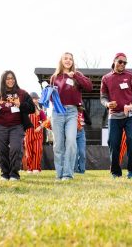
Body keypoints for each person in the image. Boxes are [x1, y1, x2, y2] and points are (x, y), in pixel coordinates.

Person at [50, 52, 93, 181]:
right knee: (58, 144)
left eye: (70, 59)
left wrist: (75, 76)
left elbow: (89, 87)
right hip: (57, 112)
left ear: (73, 62)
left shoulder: (77, 75)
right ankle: (60, 173)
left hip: (72, 112)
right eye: (65, 58)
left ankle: (68, 174)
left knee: (71, 142)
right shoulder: (54, 77)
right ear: (61, 60)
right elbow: (51, 96)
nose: (68, 61)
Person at [0, 70, 35, 181]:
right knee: (0, 149)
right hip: (0, 126)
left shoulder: (22, 93)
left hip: (17, 126)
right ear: (3, 80)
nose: (10, 80)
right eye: (8, 78)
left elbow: (32, 108)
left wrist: (21, 105)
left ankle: (14, 174)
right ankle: (5, 173)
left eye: (12, 78)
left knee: (16, 148)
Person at [100, 53, 132, 179]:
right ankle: (115, 172)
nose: (122, 64)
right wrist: (107, 104)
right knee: (113, 142)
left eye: (125, 62)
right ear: (114, 61)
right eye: (120, 62)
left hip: (130, 115)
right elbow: (103, 97)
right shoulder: (106, 78)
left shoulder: (131, 76)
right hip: (114, 116)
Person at [22, 92, 47, 174]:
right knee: (28, 151)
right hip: (28, 133)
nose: (35, 100)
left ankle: (36, 168)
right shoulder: (25, 111)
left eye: (36, 99)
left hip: (37, 134)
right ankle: (30, 168)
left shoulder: (40, 111)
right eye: (33, 99)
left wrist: (40, 127)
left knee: (37, 150)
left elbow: (45, 121)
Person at [74, 103, 92, 174]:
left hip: (81, 132)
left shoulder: (83, 111)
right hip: (73, 132)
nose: (79, 107)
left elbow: (90, 122)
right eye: (78, 106)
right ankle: (75, 170)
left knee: (82, 152)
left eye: (80, 106)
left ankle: (82, 170)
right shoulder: (72, 111)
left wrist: (82, 121)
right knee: (75, 152)